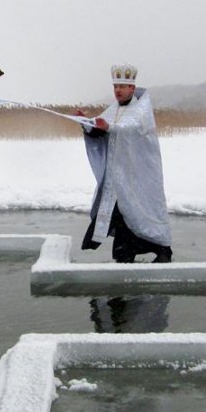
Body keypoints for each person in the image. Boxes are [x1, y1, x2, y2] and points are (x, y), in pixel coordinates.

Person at [77, 64, 172, 263]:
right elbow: (100, 129)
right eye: (115, 86)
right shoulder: (114, 109)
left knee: (140, 210)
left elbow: (132, 126)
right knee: (121, 212)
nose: (118, 90)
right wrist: (87, 124)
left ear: (132, 88)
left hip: (139, 174)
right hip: (118, 175)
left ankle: (162, 249)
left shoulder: (141, 109)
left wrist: (110, 126)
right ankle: (124, 254)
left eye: (122, 86)